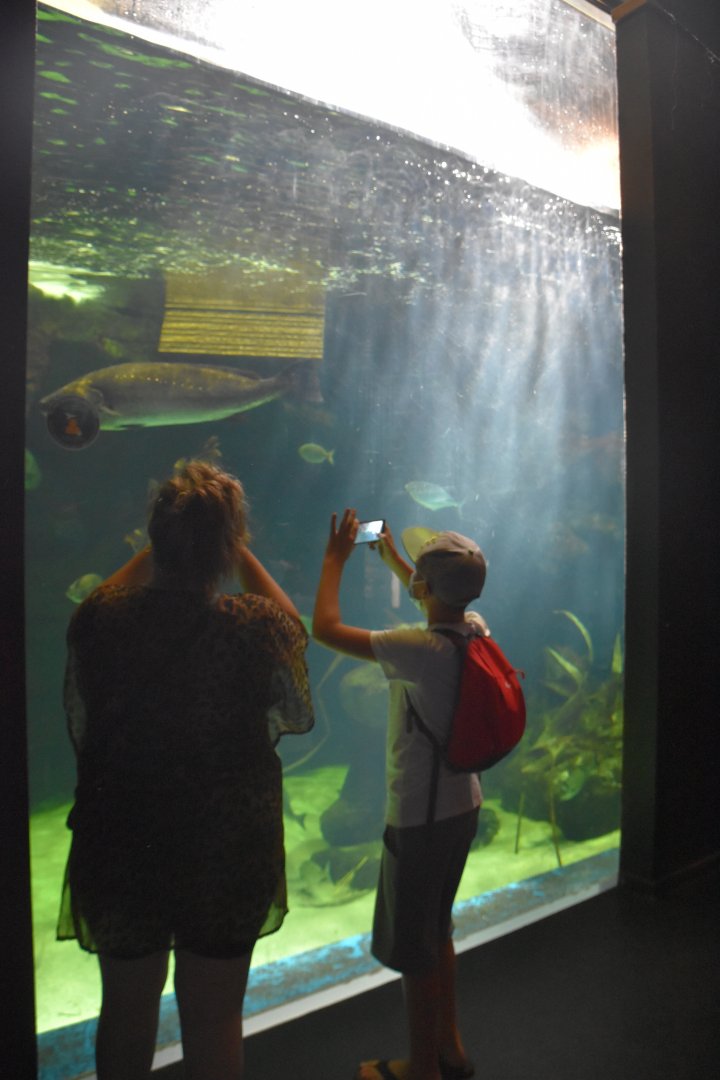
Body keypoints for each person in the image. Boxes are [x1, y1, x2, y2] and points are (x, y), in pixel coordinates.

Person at [57, 462, 314, 1080]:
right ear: (227, 546)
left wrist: (167, 545)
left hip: (125, 839)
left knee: (125, 1008)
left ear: (156, 537)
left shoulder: (107, 618)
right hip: (225, 845)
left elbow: (85, 612)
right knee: (215, 1017)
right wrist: (234, 549)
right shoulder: (252, 627)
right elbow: (295, 633)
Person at [313, 509, 489, 1080]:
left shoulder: (417, 649)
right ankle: (450, 1047)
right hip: (464, 806)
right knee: (440, 932)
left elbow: (325, 629)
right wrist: (396, 561)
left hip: (420, 818)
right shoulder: (476, 629)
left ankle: (422, 1070)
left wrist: (335, 560)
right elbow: (439, 602)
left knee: (415, 951)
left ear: (421, 588)